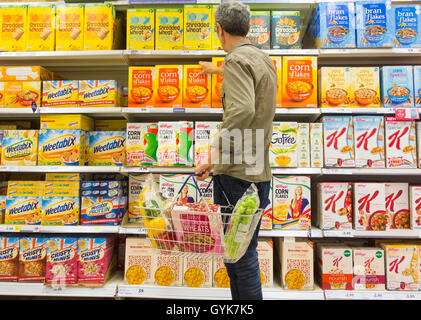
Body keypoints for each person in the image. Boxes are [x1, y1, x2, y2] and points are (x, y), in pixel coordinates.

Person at [195, 1, 277, 300]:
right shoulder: (261, 58)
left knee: (240, 257)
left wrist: (212, 155)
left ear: (219, 29)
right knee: (239, 251)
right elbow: (252, 95)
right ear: (247, 26)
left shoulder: (236, 61)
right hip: (256, 168)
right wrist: (219, 71)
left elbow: (241, 110)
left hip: (237, 174)